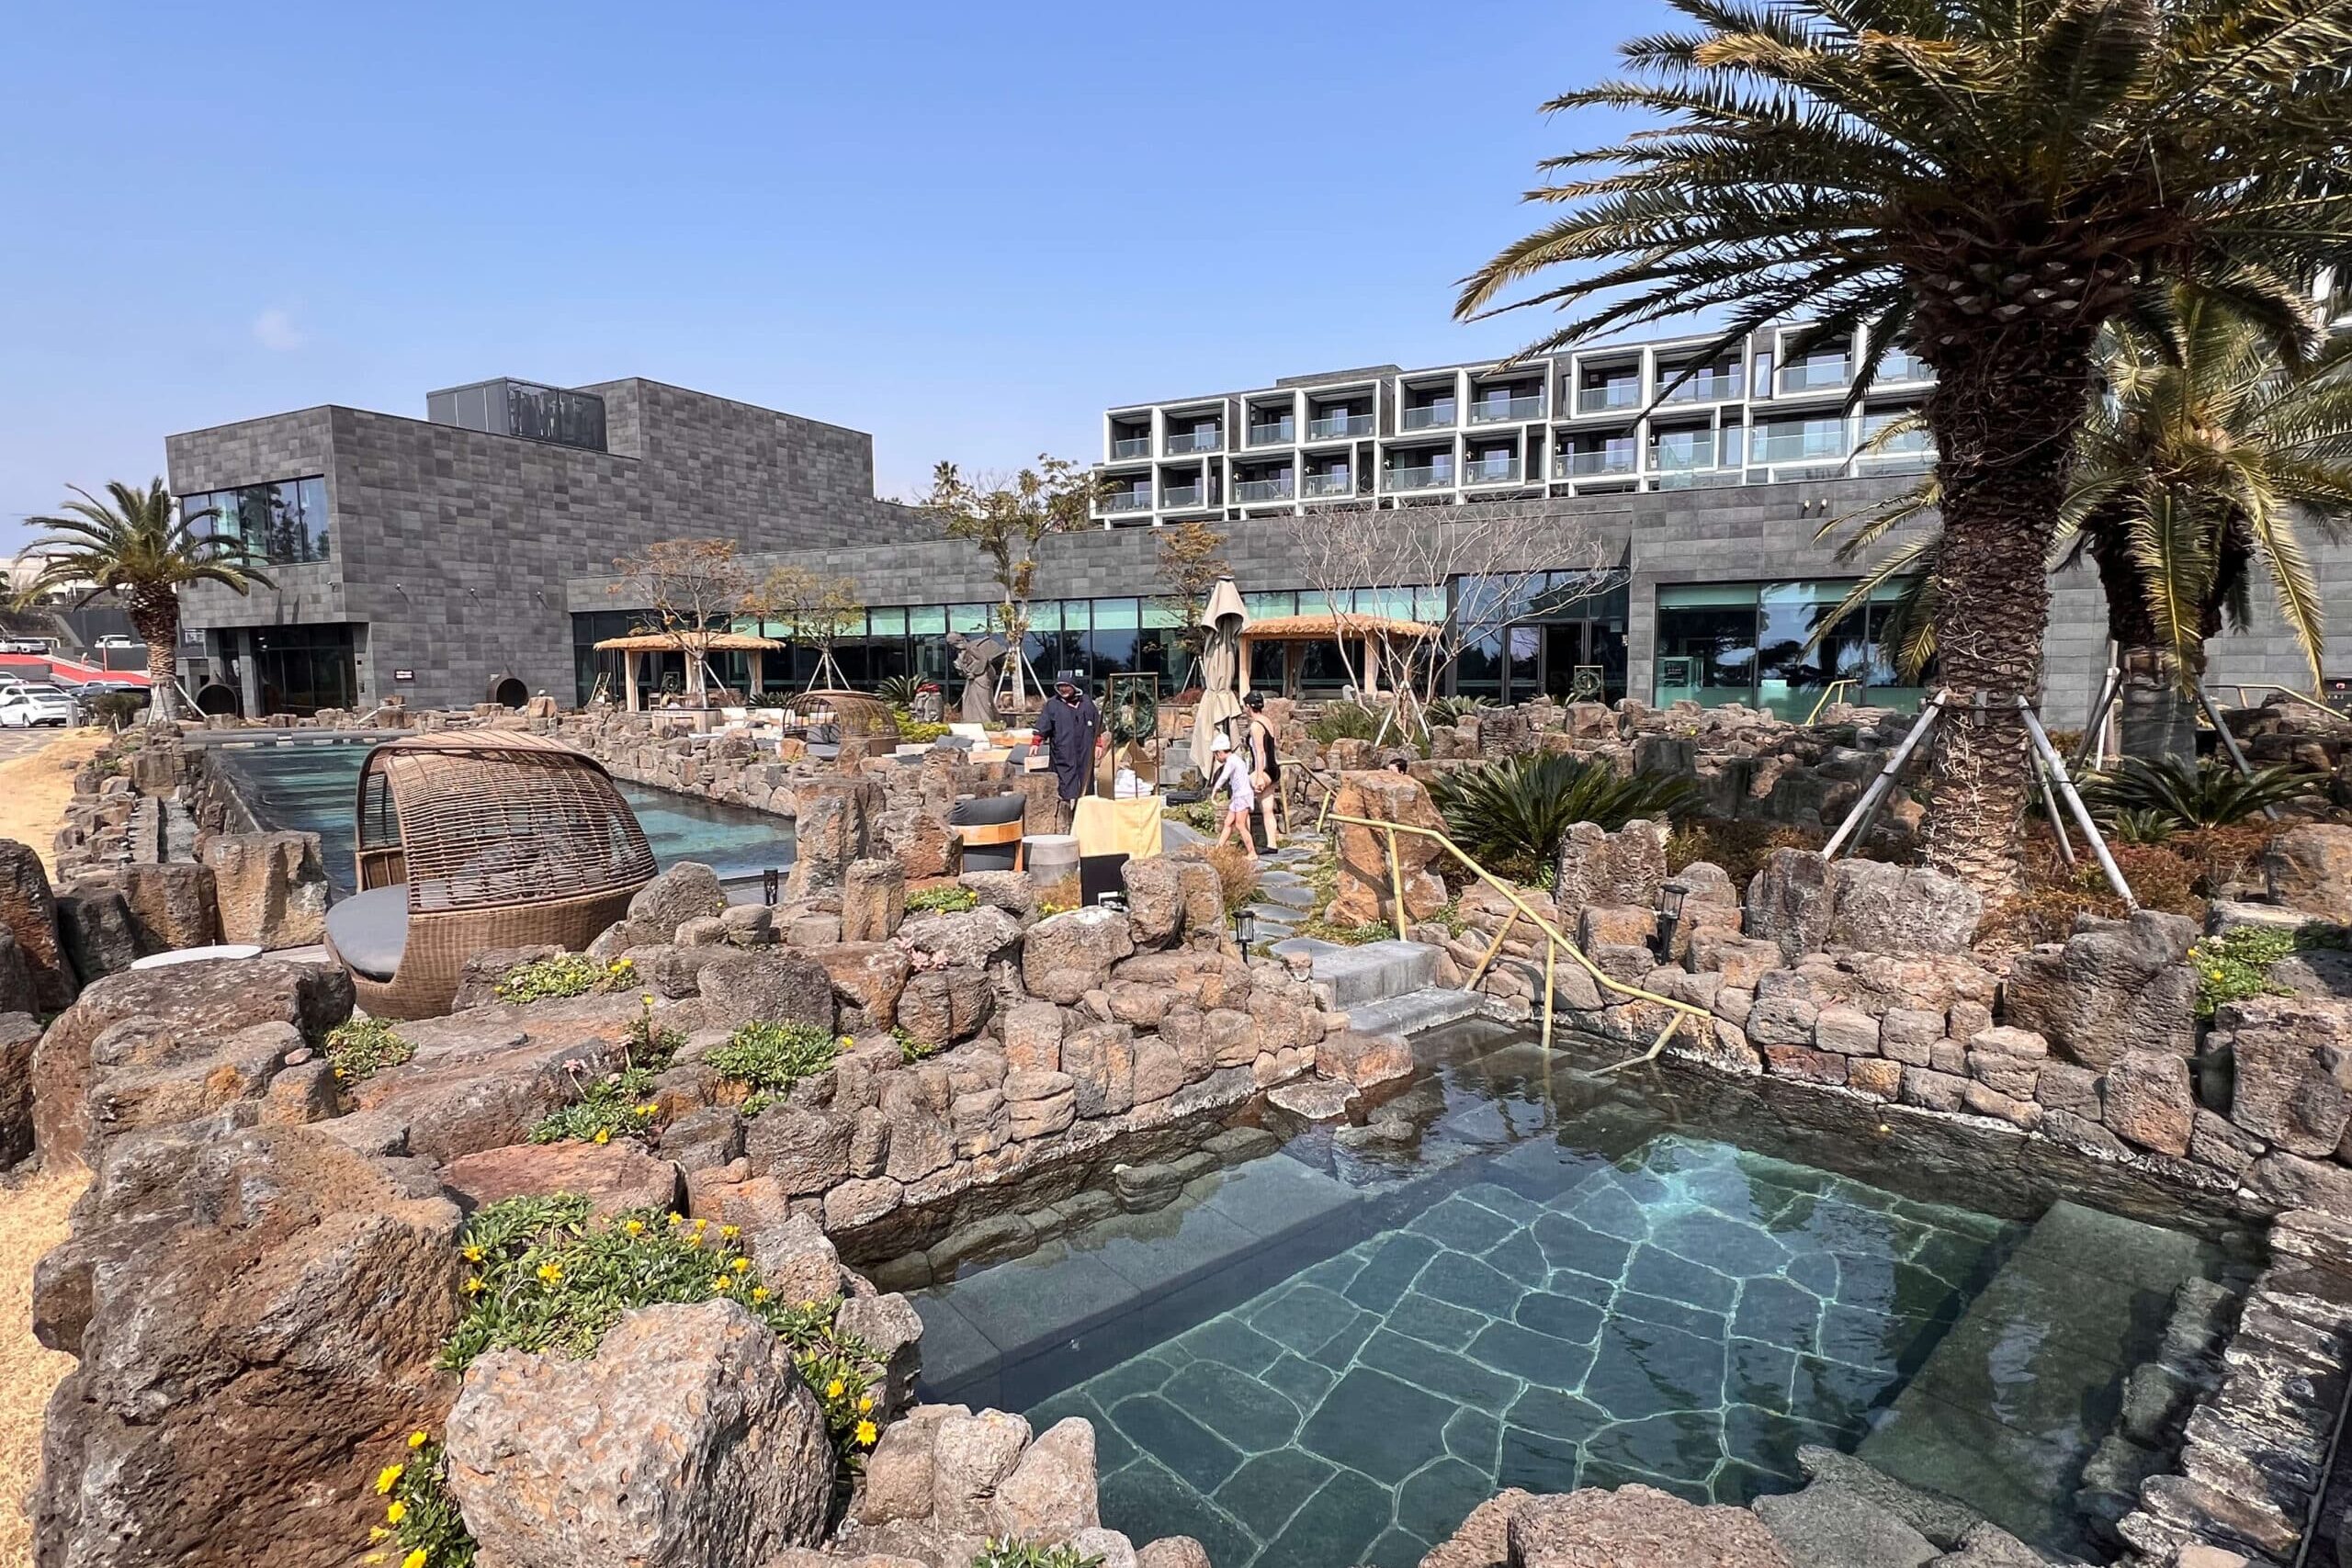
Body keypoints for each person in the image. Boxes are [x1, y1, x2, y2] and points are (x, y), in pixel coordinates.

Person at [1032, 674, 1105, 830]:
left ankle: (1085, 818)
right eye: (1060, 687)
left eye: (1066, 686)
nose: (1063, 690)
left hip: (1085, 750)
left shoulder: (1086, 703)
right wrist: (1036, 742)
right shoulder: (1053, 705)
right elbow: (1043, 725)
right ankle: (1064, 820)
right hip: (1063, 751)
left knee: (1086, 781)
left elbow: (1097, 725)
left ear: (1074, 687)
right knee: (1064, 784)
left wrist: (1099, 744)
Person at [1243, 690, 1282, 851]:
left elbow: (1260, 752)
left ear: (1248, 706)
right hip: (1274, 769)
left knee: (1240, 797)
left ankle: (1247, 842)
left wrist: (1259, 776)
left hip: (1264, 770)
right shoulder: (1267, 721)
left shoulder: (1256, 725)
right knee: (1267, 809)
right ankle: (1272, 845)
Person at [1209, 733, 1258, 859]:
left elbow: (1224, 777)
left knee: (1240, 825)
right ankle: (1218, 849)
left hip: (1242, 796)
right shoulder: (1237, 759)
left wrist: (1215, 790)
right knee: (1228, 822)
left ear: (1220, 752)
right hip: (1238, 796)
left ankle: (1252, 852)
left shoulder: (1232, 762)